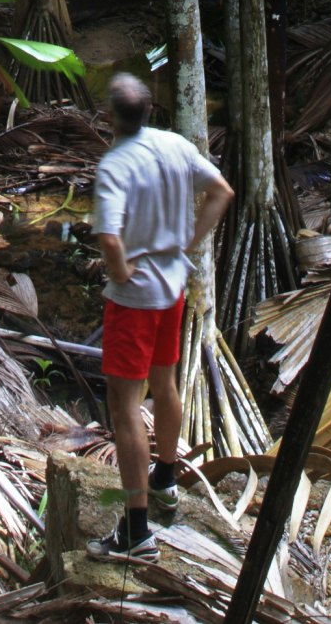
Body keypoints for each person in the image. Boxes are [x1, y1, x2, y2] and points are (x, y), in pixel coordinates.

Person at [86, 71, 234, 560]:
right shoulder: (174, 146)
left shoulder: (114, 165)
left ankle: (136, 532)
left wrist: (122, 269)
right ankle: (166, 478)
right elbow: (222, 192)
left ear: (112, 115)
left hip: (134, 300)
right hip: (172, 288)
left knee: (125, 406)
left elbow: (109, 238)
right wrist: (190, 240)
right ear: (150, 111)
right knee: (164, 384)